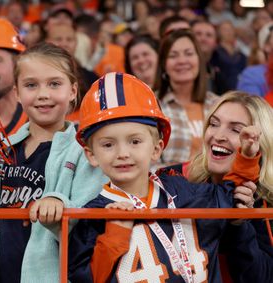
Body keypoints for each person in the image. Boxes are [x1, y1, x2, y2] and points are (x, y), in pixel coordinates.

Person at [0, 42, 106, 282]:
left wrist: (60, 204)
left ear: (73, 91)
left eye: (54, 84)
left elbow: (89, 227)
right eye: (31, 85)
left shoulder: (86, 152)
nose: (43, 94)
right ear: (17, 92)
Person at [68, 72, 261, 282]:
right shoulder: (93, 216)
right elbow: (84, 279)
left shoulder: (182, 189)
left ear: (157, 148)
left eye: (134, 141)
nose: (123, 153)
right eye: (108, 144)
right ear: (91, 154)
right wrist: (114, 236)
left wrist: (247, 156)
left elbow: (231, 193)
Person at [183, 91, 273, 282]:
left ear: (261, 143)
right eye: (214, 124)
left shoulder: (269, 202)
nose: (218, 135)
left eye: (236, 130)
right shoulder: (179, 179)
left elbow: (263, 278)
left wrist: (240, 223)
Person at [154, 28, 219, 168]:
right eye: (173, 55)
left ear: (199, 60)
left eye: (189, 54)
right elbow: (145, 163)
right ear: (164, 65)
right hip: (171, 186)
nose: (182, 61)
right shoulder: (152, 106)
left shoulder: (218, 105)